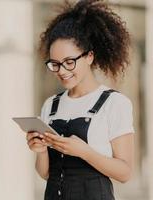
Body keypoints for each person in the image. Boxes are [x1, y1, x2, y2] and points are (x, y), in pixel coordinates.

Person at [26, 0, 135, 199]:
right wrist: (40, 150)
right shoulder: (51, 105)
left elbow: (125, 173)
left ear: (89, 56)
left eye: (69, 62)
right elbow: (46, 174)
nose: (62, 71)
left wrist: (85, 152)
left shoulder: (114, 103)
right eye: (55, 64)